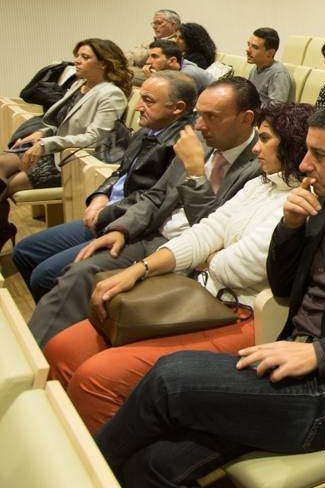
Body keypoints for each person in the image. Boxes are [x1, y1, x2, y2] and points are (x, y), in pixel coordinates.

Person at [95, 101, 325, 486]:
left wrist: (318, 351)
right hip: (285, 365)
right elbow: (281, 287)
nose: (305, 165)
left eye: (319, 155)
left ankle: (79, 474)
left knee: (170, 376)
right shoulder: (321, 206)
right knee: (151, 465)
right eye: (307, 150)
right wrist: (291, 227)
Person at [44, 102, 314, 432]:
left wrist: (210, 256)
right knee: (63, 348)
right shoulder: (261, 183)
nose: (256, 147)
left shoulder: (302, 199)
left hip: (242, 315)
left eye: (266, 138)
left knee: (96, 377)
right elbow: (206, 231)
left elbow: (238, 268)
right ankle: (59, 441)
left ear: (292, 143)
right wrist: (139, 269)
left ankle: (103, 468)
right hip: (199, 293)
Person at [27, 77, 263, 347]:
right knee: (78, 273)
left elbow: (215, 230)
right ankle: (34, 365)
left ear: (246, 119)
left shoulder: (258, 165)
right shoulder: (202, 140)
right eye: (199, 114)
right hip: (152, 235)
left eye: (211, 116)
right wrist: (122, 228)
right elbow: (157, 194)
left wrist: (196, 174)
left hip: (188, 257)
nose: (199, 125)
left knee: (93, 286)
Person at [12, 71, 194, 299]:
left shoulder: (182, 144)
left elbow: (154, 198)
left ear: (177, 108)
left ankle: (63, 318)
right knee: (24, 251)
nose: (137, 107)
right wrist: (100, 196)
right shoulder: (147, 129)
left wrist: (107, 212)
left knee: (45, 275)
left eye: (147, 100)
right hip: (108, 213)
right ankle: (58, 311)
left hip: (129, 224)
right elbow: (120, 173)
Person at [0, 38, 131, 247]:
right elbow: (61, 122)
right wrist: (41, 133)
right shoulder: (80, 85)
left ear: (104, 63)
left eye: (85, 57)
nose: (77, 61)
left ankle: (4, 231)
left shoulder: (111, 94)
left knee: (8, 186)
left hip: (72, 160)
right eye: (77, 55)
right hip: (53, 150)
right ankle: (3, 230)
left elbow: (94, 137)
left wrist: (47, 143)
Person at [246, 27, 293, 104]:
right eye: (248, 45)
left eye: (255, 47)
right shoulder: (255, 68)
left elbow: (276, 109)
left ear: (270, 53)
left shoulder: (279, 74)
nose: (247, 50)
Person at [143, 38, 212, 90]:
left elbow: (172, 100)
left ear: (172, 61)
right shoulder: (177, 66)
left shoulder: (188, 75)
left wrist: (154, 80)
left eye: (154, 56)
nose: (147, 62)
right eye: (149, 56)